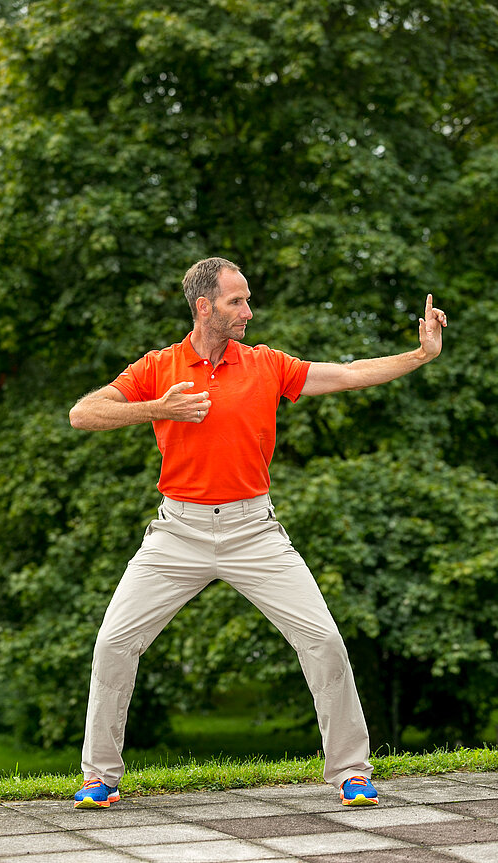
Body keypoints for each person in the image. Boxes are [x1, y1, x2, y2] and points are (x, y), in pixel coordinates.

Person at [69, 257, 447, 810]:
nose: (248, 311)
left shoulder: (267, 364)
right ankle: (100, 778)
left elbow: (344, 373)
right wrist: (158, 407)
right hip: (178, 532)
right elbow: (83, 413)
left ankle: (351, 772)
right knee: (113, 644)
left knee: (323, 641)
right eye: (236, 301)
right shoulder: (159, 366)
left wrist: (420, 354)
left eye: (246, 300)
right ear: (205, 307)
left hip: (254, 531)